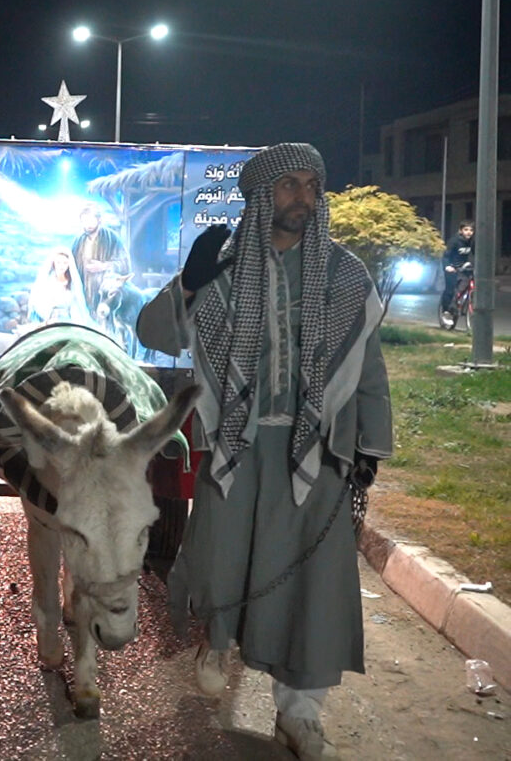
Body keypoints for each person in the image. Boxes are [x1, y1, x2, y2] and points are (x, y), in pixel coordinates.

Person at [137, 143, 391, 759]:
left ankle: (300, 713)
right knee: (225, 557)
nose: (302, 196)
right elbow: (154, 333)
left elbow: (369, 369)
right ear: (259, 197)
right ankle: (217, 639)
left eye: (311, 184)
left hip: (320, 452)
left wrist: (370, 447)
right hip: (236, 446)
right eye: (288, 186)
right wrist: (190, 284)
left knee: (312, 584)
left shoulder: (345, 274)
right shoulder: (223, 272)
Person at [70, 203, 131, 314]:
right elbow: (71, 266)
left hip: (105, 295)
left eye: (90, 220)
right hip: (83, 293)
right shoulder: (78, 241)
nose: (87, 224)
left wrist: (104, 266)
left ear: (99, 220)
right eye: (84, 221)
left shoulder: (112, 238)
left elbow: (124, 264)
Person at [27, 249, 90, 325]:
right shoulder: (47, 281)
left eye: (65, 263)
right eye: (58, 263)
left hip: (70, 319)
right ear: (54, 263)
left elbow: (77, 303)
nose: (62, 266)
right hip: (50, 318)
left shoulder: (73, 282)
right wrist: (49, 315)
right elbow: (38, 301)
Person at [440, 219, 475, 319]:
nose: (469, 232)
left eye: (471, 230)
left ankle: (460, 303)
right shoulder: (454, 241)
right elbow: (446, 255)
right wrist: (447, 266)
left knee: (466, 285)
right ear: (461, 231)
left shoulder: (471, 242)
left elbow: (476, 254)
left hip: (464, 267)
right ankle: (445, 311)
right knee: (450, 290)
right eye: (466, 229)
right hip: (452, 268)